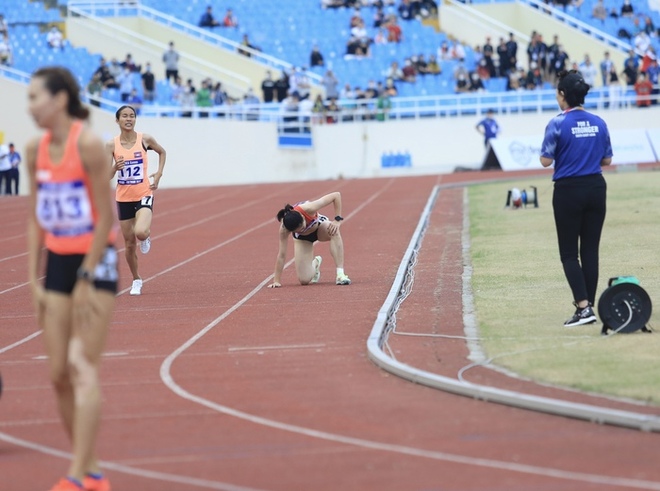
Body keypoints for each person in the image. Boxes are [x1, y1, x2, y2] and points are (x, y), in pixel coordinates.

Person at [25, 66, 117, 491]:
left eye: (34, 97)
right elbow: (34, 216)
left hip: (96, 260)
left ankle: (78, 475)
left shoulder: (89, 145)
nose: (30, 106)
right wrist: (32, 279)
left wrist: (85, 277)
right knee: (58, 373)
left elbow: (104, 219)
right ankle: (93, 469)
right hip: (58, 262)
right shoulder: (34, 149)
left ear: (59, 99)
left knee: (82, 366)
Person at [540, 70, 612, 327]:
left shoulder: (558, 123)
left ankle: (583, 308)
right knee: (590, 250)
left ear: (563, 95)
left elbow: (545, 160)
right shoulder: (599, 122)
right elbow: (607, 160)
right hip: (596, 187)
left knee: (569, 254)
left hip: (568, 190)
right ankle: (588, 306)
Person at [108, 105, 166, 296]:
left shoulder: (145, 139)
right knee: (129, 243)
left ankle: (146, 234)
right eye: (124, 116)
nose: (129, 119)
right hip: (123, 198)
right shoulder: (111, 145)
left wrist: (158, 174)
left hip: (144, 193)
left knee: (140, 232)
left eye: (132, 116)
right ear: (117, 120)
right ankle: (136, 279)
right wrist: (115, 168)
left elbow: (162, 152)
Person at [268, 192, 351, 288]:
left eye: (302, 226)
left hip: (320, 228)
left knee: (333, 230)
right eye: (298, 230)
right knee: (304, 280)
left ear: (303, 217)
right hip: (303, 239)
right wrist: (276, 281)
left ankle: (340, 274)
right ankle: (316, 263)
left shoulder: (308, 208)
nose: (303, 229)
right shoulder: (284, 230)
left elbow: (336, 195)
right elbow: (282, 255)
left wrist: (337, 220)